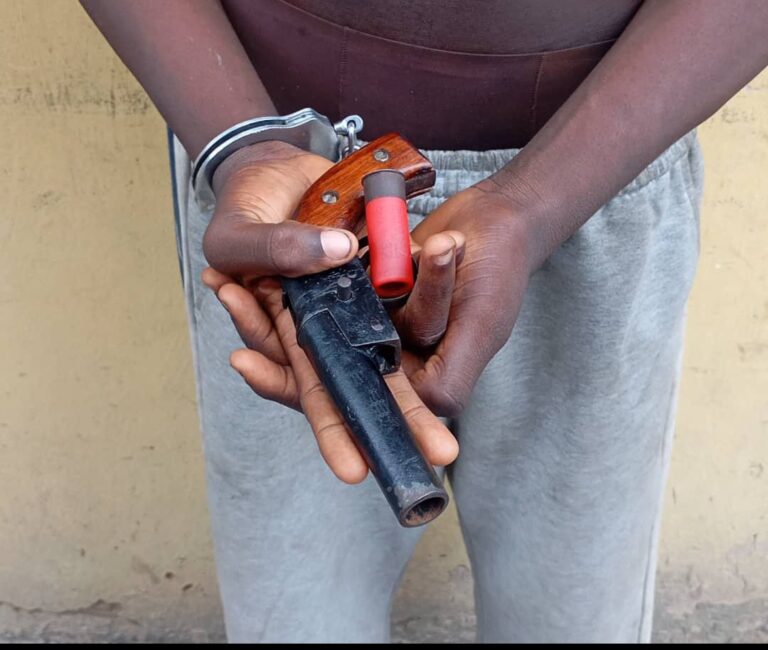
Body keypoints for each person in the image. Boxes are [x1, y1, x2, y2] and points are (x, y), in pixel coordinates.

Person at [81, 0, 768, 643]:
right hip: (284, 197)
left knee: (578, 608)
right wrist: (244, 146)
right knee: (293, 611)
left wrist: (537, 202)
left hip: (602, 167)